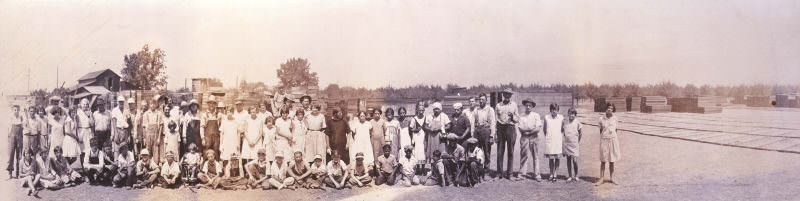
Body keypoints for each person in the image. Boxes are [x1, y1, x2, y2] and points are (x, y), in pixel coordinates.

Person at [495, 88, 520, 180]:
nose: (507, 96)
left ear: (511, 96)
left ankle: (510, 174)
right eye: (505, 94)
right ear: (503, 95)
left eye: (509, 94)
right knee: (500, 152)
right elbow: (495, 119)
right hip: (501, 129)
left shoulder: (514, 105)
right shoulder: (498, 105)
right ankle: (499, 173)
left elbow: (518, 119)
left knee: (511, 152)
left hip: (510, 128)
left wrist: (513, 116)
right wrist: (495, 133)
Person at [518, 98, 543, 181]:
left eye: (530, 106)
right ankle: (522, 174)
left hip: (534, 137)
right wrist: (527, 131)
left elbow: (538, 128)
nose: (528, 107)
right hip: (524, 137)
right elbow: (521, 128)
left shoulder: (536, 115)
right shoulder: (521, 116)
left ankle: (537, 174)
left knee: (535, 156)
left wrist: (530, 132)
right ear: (525, 106)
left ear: (532, 107)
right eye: (527, 105)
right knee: (524, 155)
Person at [596, 104, 621, 186]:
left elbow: (615, 130)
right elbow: (601, 131)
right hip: (604, 140)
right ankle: (601, 178)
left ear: (613, 110)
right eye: (608, 108)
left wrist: (612, 138)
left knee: (612, 160)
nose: (610, 110)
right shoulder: (601, 119)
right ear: (606, 109)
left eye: (611, 108)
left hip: (613, 140)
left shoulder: (615, 118)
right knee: (603, 161)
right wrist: (604, 138)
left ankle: (612, 178)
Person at [472, 93, 495, 170]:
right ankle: (478, 168)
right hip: (477, 131)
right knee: (477, 150)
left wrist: (492, 135)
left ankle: (487, 169)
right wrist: (472, 134)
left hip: (486, 131)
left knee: (486, 151)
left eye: (483, 99)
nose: (481, 101)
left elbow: (493, 123)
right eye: (480, 100)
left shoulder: (490, 109)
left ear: (486, 100)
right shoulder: (476, 110)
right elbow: (473, 123)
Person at [543, 103, 564, 182]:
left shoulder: (561, 117)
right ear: (550, 110)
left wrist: (558, 136)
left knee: (557, 158)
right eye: (552, 110)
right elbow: (544, 130)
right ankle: (551, 174)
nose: (554, 111)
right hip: (550, 140)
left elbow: (562, 129)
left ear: (558, 110)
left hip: (558, 140)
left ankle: (555, 174)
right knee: (551, 159)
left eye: (555, 110)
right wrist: (549, 137)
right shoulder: (546, 117)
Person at [563, 108, 583, 182]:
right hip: (567, 144)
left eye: (573, 114)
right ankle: (570, 176)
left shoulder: (577, 123)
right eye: (570, 114)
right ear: (568, 114)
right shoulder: (565, 122)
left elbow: (580, 133)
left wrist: (577, 141)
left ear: (575, 115)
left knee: (574, 160)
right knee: (568, 160)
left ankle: (576, 175)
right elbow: (564, 132)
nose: (571, 115)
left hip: (574, 144)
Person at [142, 98, 163, 164]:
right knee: (148, 151)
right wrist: (145, 138)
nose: (153, 105)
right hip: (148, 135)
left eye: (154, 104)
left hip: (156, 135)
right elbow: (144, 127)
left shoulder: (159, 113)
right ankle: (147, 167)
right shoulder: (146, 114)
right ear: (149, 105)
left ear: (156, 105)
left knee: (156, 151)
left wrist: (159, 138)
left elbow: (161, 126)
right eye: (151, 104)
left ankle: (155, 167)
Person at [8, 105, 24, 179]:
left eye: (17, 110)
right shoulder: (10, 118)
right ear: (13, 110)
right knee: (11, 154)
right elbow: (9, 129)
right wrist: (10, 137)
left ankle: (18, 173)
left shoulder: (21, 117)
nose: (16, 111)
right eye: (15, 110)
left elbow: (24, 127)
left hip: (19, 137)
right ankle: (10, 173)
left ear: (19, 110)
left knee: (19, 155)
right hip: (12, 137)